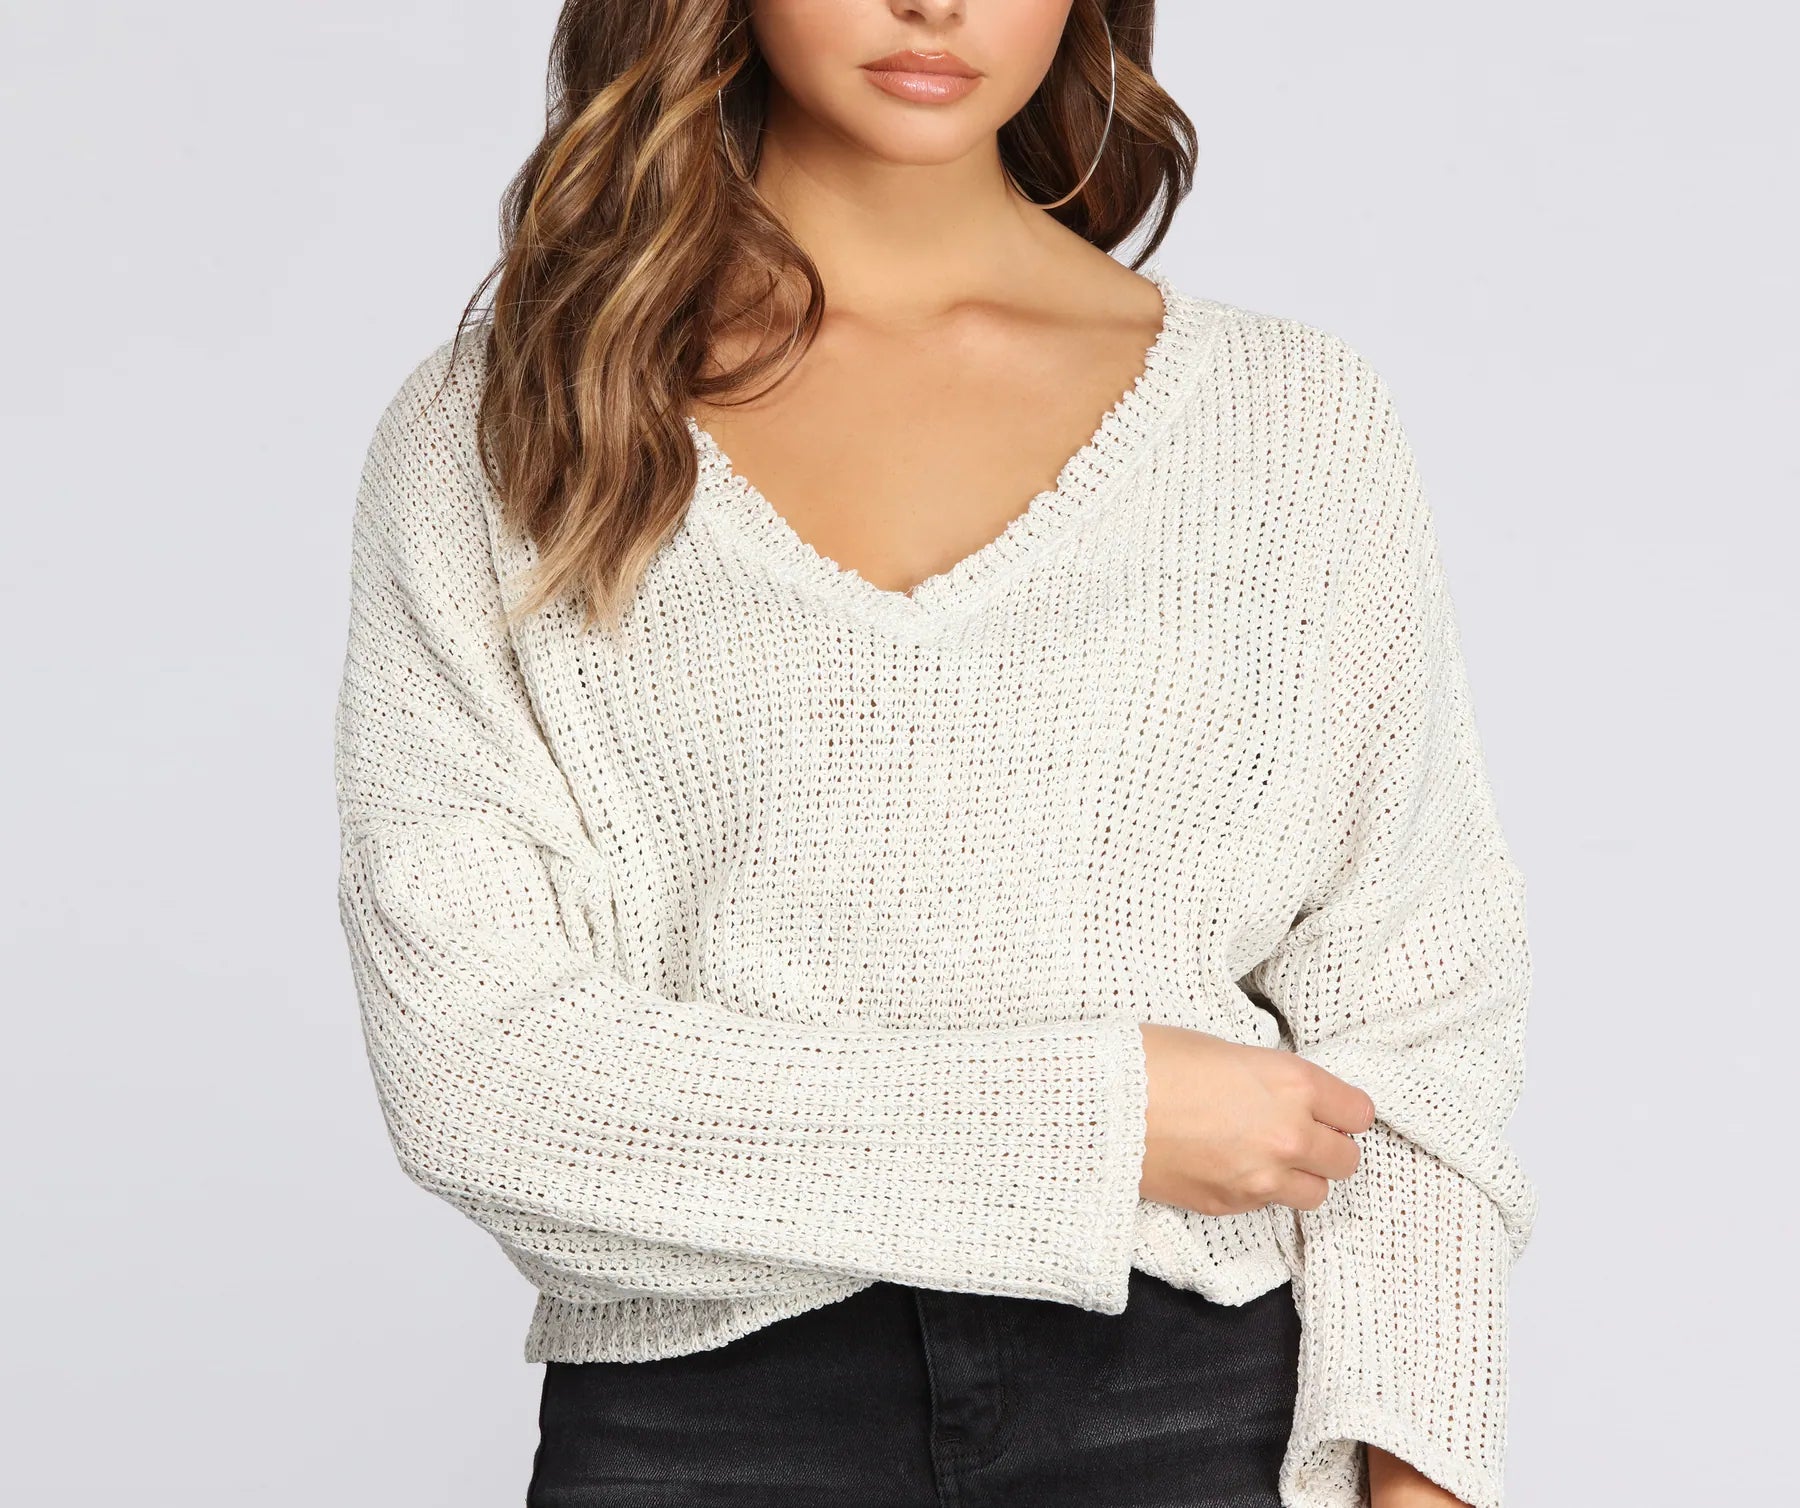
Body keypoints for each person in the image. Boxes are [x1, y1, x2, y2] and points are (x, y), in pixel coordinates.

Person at [332, 3, 1537, 1506]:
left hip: (1198, 1416)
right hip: (702, 1427)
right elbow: (478, 1074)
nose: (937, 4)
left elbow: (1416, 1014)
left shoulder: (1291, 423)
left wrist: (1422, 1470)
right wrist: (1104, 1124)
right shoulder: (509, 426)